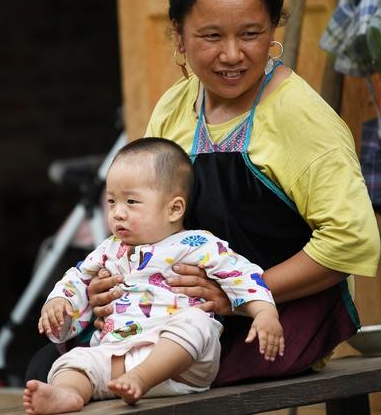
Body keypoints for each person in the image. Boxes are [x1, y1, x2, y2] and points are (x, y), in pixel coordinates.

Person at [83, 0, 381, 385]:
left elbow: (351, 241)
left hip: (278, 320)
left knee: (146, 382)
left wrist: (239, 295)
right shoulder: (174, 108)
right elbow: (145, 215)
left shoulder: (300, 115)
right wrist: (113, 283)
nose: (232, 55)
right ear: (179, 37)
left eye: (250, 34)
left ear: (273, 30)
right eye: (210, 36)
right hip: (182, 313)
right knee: (60, 364)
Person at [23, 137, 282, 414]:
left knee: (197, 323)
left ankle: (142, 378)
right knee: (71, 362)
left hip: (182, 363)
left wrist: (265, 313)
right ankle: (68, 394)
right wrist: (59, 302)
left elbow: (242, 275)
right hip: (117, 357)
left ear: (174, 209)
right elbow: (77, 279)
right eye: (111, 201)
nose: (118, 213)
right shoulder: (108, 249)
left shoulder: (197, 244)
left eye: (132, 202)